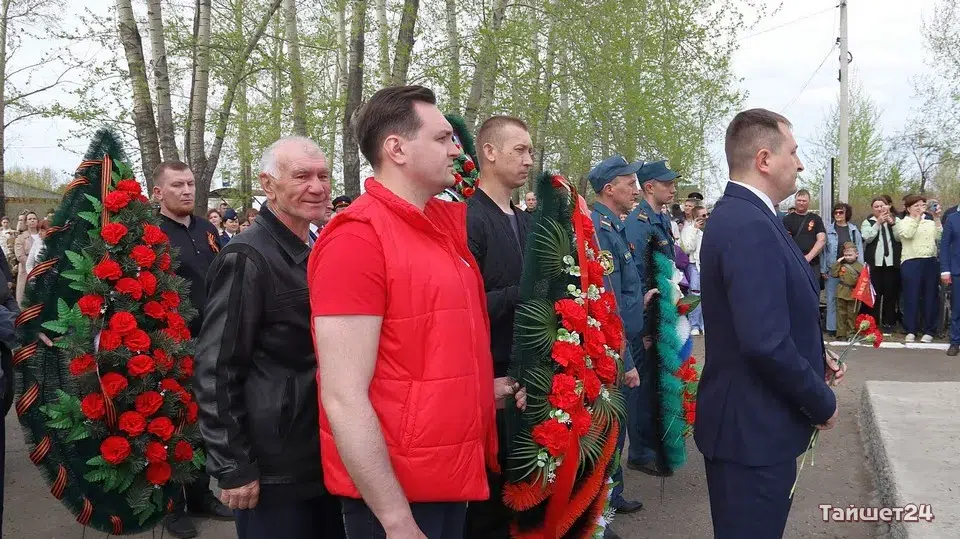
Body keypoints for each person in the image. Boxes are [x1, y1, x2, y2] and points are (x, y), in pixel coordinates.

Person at [309, 85, 506, 539]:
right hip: (399, 494)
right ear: (396, 149)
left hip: (447, 471)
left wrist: (481, 389)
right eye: (442, 138)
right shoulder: (357, 240)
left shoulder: (438, 228)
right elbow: (343, 396)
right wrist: (395, 519)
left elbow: (428, 350)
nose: (456, 150)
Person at [696, 108, 844, 538]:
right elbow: (764, 341)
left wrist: (816, 355)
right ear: (764, 159)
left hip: (756, 426)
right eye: (793, 152)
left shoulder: (754, 216)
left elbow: (767, 314)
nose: (800, 164)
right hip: (751, 433)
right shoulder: (747, 223)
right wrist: (821, 401)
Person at [195, 137, 345, 539]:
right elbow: (216, 369)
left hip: (322, 451)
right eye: (302, 176)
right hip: (275, 464)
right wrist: (233, 466)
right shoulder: (246, 256)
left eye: (323, 176)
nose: (317, 186)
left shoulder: (317, 245)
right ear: (268, 184)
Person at [152, 162, 234, 538]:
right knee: (171, 425)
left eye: (190, 183)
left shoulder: (206, 229)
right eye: (177, 185)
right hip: (168, 345)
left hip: (210, 339)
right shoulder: (150, 234)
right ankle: (172, 505)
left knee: (203, 422)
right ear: (158, 192)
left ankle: (201, 494)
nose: (187, 190)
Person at [462, 115, 535, 538]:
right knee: (489, 506)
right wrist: (520, 294)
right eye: (519, 150)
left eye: (531, 151)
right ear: (489, 152)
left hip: (527, 378)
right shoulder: (470, 219)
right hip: (489, 381)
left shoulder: (526, 221)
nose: (529, 160)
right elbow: (462, 306)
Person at [585, 155, 652, 527]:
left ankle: (612, 494)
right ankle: (601, 506)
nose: (636, 190)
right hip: (613, 348)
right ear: (610, 189)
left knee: (616, 427)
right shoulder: (600, 228)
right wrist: (624, 360)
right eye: (630, 183)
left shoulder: (614, 224)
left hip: (623, 340)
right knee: (609, 428)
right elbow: (606, 300)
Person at [894, 194, 942, 343]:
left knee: (930, 296)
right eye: (916, 206)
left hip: (930, 261)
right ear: (908, 208)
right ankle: (911, 329)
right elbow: (907, 234)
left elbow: (940, 236)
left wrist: (936, 218)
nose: (920, 208)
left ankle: (929, 330)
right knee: (911, 296)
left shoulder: (929, 222)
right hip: (911, 261)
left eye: (922, 205)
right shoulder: (903, 222)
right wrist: (916, 218)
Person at [821, 202, 864, 336]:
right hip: (833, 269)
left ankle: (848, 329)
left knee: (850, 302)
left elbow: (859, 249)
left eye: (841, 212)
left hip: (851, 271)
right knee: (832, 299)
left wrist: (861, 271)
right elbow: (824, 251)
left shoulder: (854, 230)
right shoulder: (828, 230)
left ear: (847, 214)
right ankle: (832, 328)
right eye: (836, 212)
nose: (838, 214)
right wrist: (823, 269)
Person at [861, 196, 901, 333]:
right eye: (876, 207)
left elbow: (899, 238)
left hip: (891, 263)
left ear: (888, 206)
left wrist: (892, 224)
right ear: (872, 209)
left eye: (882, 206)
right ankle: (873, 322)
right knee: (874, 294)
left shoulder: (896, 220)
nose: (879, 209)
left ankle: (888, 322)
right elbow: (867, 237)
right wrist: (878, 223)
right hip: (875, 263)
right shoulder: (868, 222)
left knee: (890, 294)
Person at [782, 189, 826, 285]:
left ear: (809, 202)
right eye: (799, 200)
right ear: (795, 201)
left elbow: (821, 240)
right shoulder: (787, 219)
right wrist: (797, 259)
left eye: (804, 201)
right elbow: (785, 242)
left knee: (813, 290)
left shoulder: (816, 219)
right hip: (793, 263)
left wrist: (808, 257)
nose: (801, 203)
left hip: (813, 264)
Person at [830, 242, 865, 340]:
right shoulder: (841, 265)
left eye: (850, 255)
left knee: (852, 315)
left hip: (853, 293)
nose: (848, 257)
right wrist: (838, 262)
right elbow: (834, 274)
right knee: (841, 314)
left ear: (856, 254)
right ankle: (841, 334)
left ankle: (851, 334)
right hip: (841, 292)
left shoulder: (860, 267)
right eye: (846, 255)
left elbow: (863, 281)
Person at [940, 209, 960, 356]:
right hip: (957, 270)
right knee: (957, 308)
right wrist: (945, 269)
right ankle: (955, 342)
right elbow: (945, 245)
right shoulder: (952, 218)